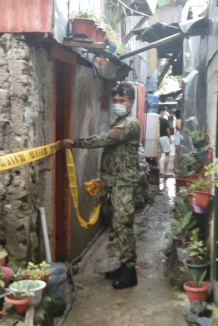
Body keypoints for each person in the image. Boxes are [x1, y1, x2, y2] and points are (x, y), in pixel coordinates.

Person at [61, 83, 141, 289]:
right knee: (117, 226)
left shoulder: (129, 123)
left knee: (123, 226)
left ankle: (130, 272)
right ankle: (124, 265)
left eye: (121, 101)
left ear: (131, 103)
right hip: (114, 183)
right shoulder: (120, 121)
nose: (117, 104)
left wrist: (75, 143)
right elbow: (118, 158)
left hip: (123, 184)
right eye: (114, 101)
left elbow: (106, 138)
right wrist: (103, 180)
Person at [158, 107, 172, 177]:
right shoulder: (165, 120)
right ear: (162, 111)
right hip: (164, 137)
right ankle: (165, 171)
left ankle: (158, 171)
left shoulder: (155, 120)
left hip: (157, 138)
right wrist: (169, 138)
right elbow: (168, 131)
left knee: (158, 155)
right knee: (167, 154)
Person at [173, 109, 182, 175]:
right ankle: (176, 168)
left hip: (179, 137)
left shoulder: (179, 120)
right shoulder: (177, 121)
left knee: (178, 154)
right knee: (177, 153)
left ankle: (178, 167)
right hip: (178, 138)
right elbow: (179, 127)